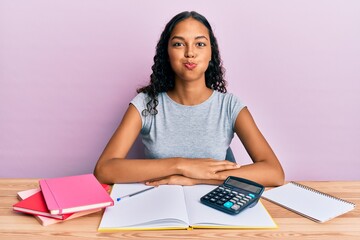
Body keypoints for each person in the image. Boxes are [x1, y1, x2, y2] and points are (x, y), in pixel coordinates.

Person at [94, 11, 284, 187]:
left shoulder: (229, 106)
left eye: (200, 44)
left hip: (216, 207)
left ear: (211, 53)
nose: (190, 53)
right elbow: (104, 170)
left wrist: (200, 179)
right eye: (178, 44)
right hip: (160, 205)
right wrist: (181, 165)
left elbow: (274, 172)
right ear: (166, 53)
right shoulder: (145, 103)